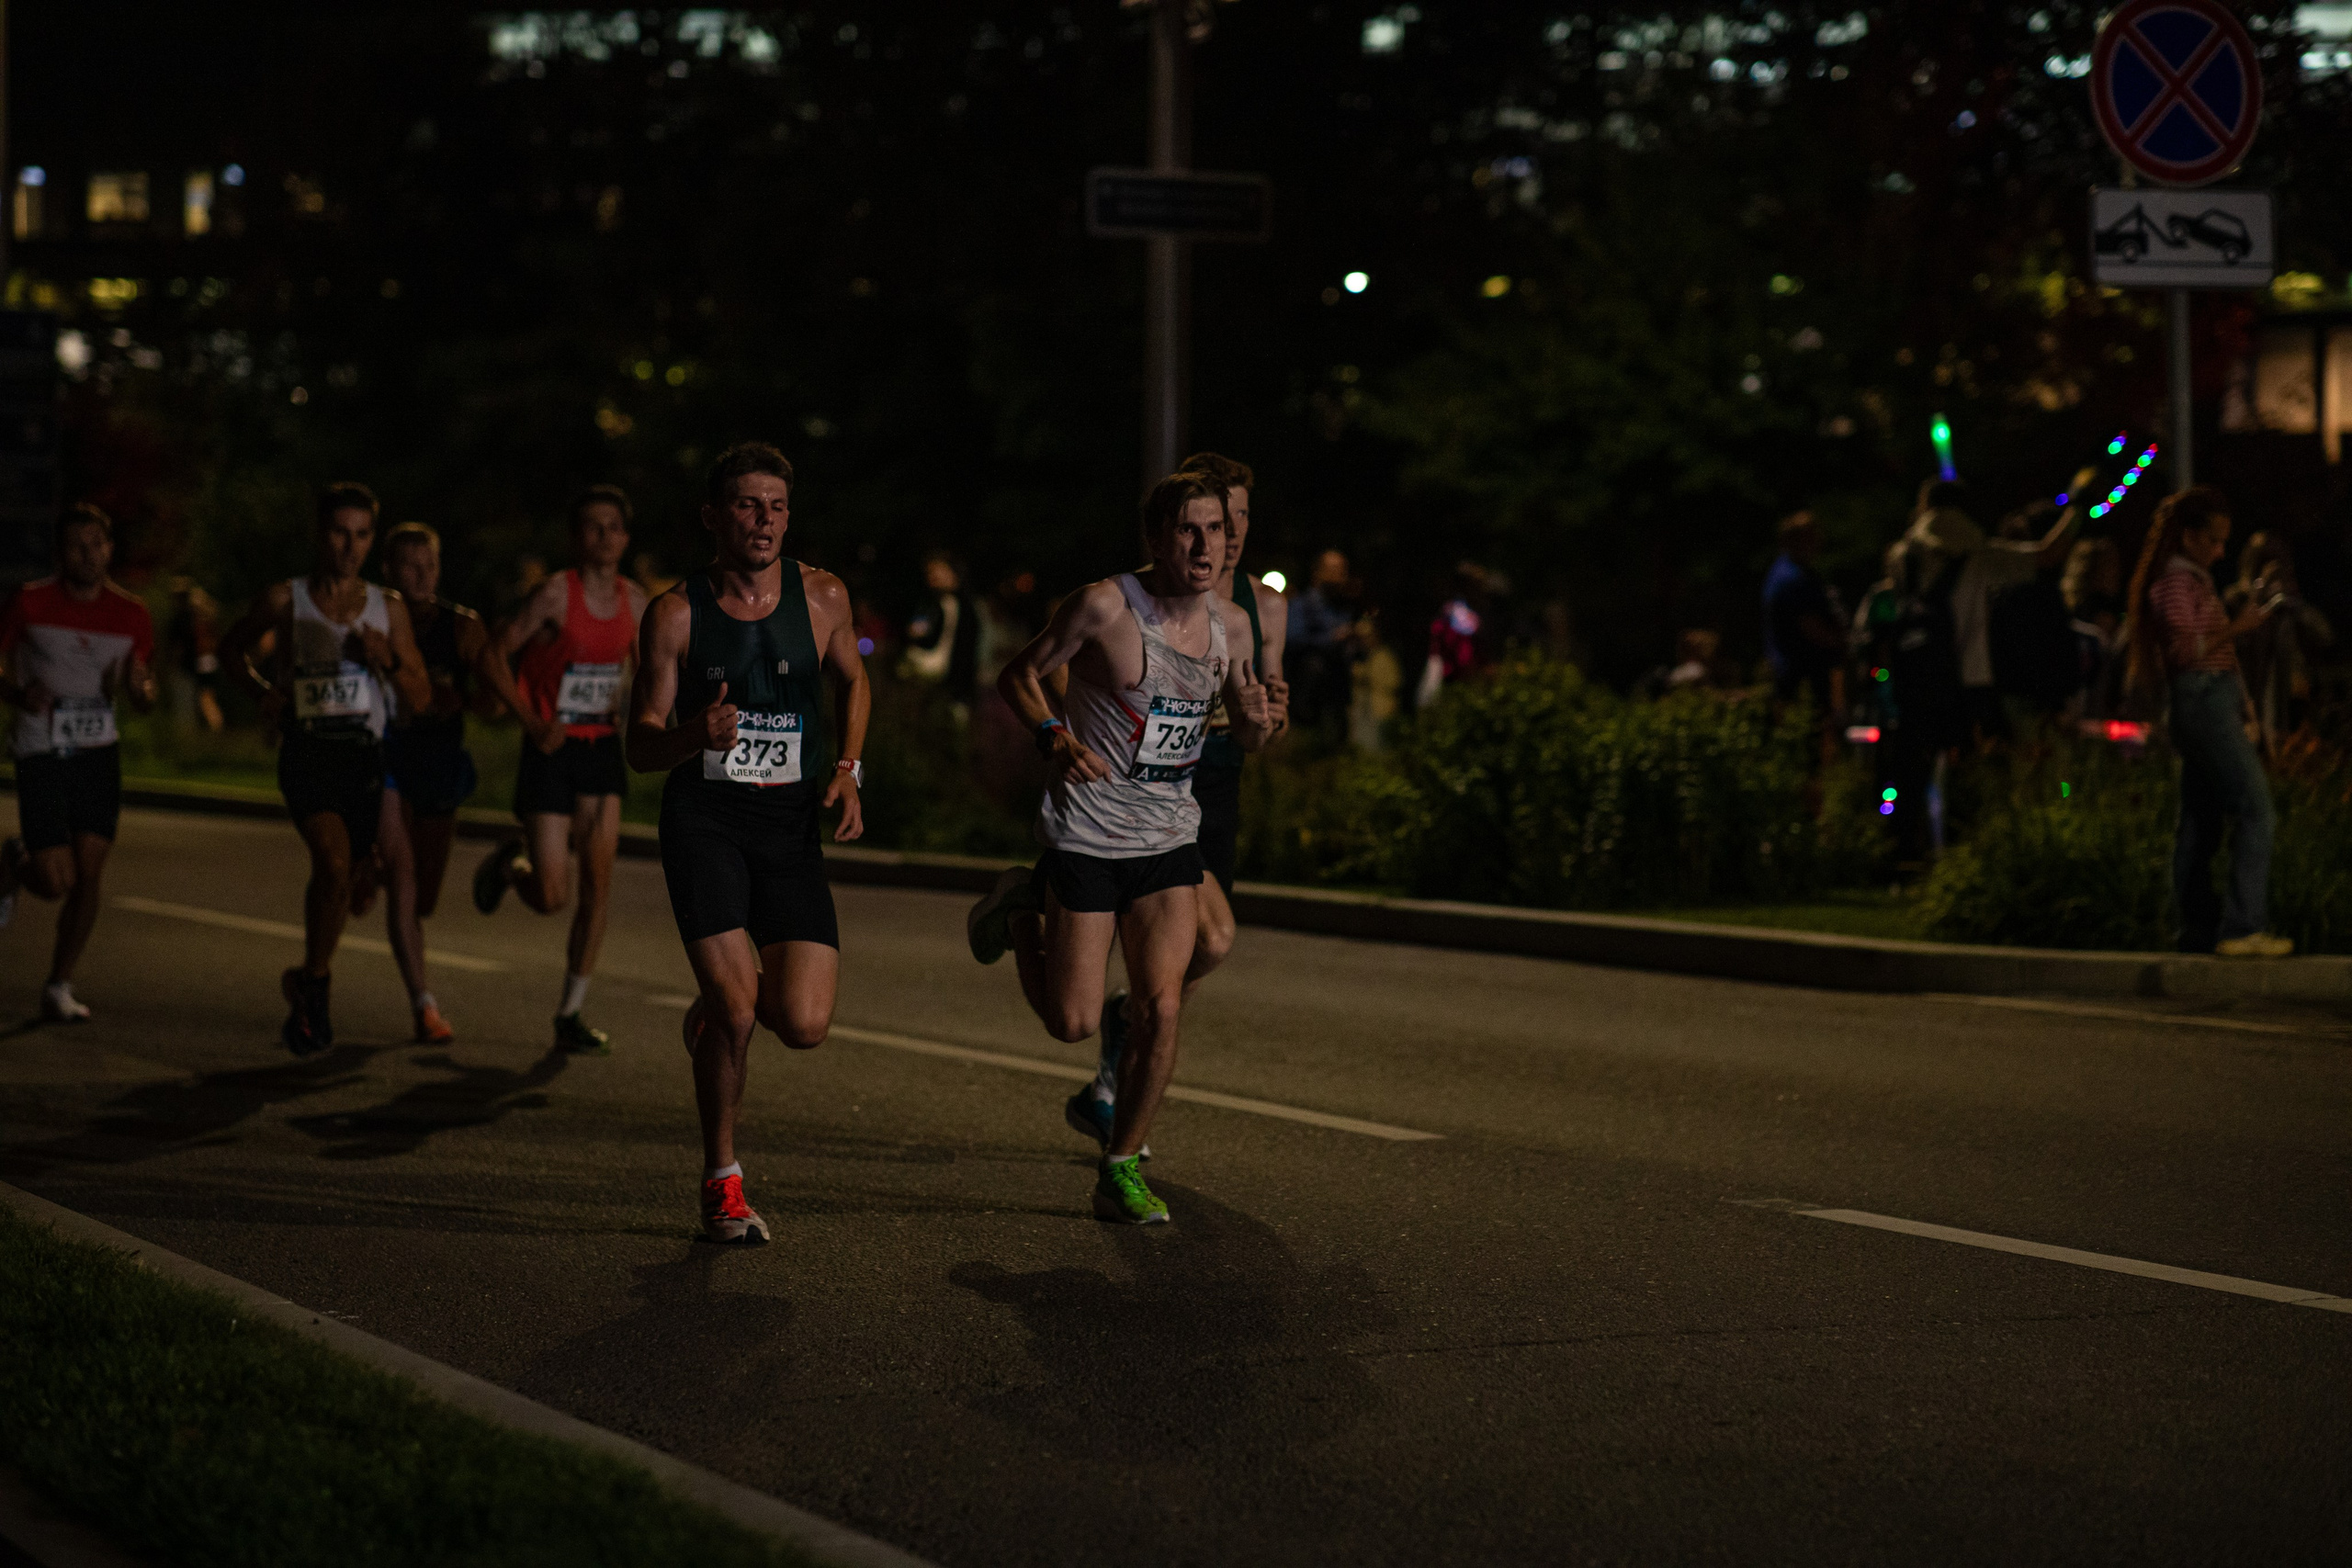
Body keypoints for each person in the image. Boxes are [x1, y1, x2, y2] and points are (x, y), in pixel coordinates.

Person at [965, 470, 1274, 1225]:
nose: (1205, 545)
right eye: (1188, 529)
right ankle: (1020, 912)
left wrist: (1260, 719)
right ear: (1157, 537)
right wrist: (1053, 734)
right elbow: (1019, 674)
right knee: (1070, 1021)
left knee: (1159, 1008)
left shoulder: (1232, 624)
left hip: (1169, 837)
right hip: (1090, 833)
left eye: (1215, 529)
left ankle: (1121, 1166)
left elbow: (1247, 731)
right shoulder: (1105, 606)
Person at [625, 442, 869, 1244]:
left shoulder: (823, 595)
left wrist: (849, 768)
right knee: (739, 1011)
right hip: (707, 822)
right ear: (713, 516)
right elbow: (641, 744)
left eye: (777, 506)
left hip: (789, 826)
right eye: (746, 504)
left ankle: (714, 1009)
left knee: (802, 1021)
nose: (763, 520)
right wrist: (692, 734)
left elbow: (854, 679)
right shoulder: (675, 613)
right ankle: (721, 1182)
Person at [1067, 451, 1291, 1137]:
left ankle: (1124, 1071)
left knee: (1197, 955)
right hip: (1140, 796)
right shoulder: (1147, 596)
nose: (1231, 533)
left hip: (1214, 785)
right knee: (1211, 938)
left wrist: (1265, 716)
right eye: (1218, 519)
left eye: (1238, 519)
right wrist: (1063, 736)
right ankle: (1121, 1078)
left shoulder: (1259, 608)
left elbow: (1264, 714)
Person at [218, 483, 433, 1054]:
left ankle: (310, 976)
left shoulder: (388, 608)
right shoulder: (286, 600)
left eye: (361, 535)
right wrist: (263, 693)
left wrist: (388, 660)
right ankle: (316, 990)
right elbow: (231, 650)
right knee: (333, 863)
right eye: (340, 532)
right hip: (309, 752)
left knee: (346, 881)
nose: (349, 546)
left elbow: (421, 695)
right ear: (320, 534)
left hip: (363, 757)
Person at [469, 485, 650, 1055]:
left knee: (598, 887)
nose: (605, 536)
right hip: (550, 749)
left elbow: (651, 672)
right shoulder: (554, 594)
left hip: (600, 751)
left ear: (626, 537)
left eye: (614, 526)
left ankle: (570, 1012)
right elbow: (491, 655)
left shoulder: (637, 601)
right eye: (593, 526)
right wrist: (530, 720)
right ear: (576, 538)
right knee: (551, 896)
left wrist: (648, 716)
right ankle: (510, 866)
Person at [0, 504, 157, 1021]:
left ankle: (59, 984)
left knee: (89, 874)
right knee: (55, 881)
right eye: (77, 546)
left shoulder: (132, 614)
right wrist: (17, 694)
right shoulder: (28, 602)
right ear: (60, 554)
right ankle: (15, 862)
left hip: (98, 751)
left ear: (110, 549)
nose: (89, 555)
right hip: (41, 748)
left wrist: (142, 692)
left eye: (97, 545)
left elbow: (143, 690)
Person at [2123, 485, 2291, 958]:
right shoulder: (2176, 583)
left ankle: (2195, 930)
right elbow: (2184, 651)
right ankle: (2243, 926)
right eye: (2214, 540)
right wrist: (2237, 627)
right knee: (2256, 809)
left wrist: (2243, 704)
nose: (2220, 551)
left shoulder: (2190, 580)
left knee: (2200, 821)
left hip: (2206, 702)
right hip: (2201, 702)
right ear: (2188, 536)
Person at [377, 523, 494, 1043]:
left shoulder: (460, 627)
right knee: (403, 876)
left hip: (439, 763)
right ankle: (423, 1003)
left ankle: (372, 869)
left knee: (423, 898)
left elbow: (493, 698)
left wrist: (464, 699)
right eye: (410, 566)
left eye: (431, 566)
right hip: (387, 758)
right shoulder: (372, 618)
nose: (422, 576)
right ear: (389, 571)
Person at [1899, 476, 2087, 744]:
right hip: (1970, 677)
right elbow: (2047, 554)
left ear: (1924, 507)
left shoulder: (1903, 554)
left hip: (1914, 672)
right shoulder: (1980, 554)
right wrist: (2078, 507)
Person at [2223, 532, 2333, 751]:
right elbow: (2232, 637)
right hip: (2243, 699)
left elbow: (2325, 637)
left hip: (2283, 706)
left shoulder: (2288, 608)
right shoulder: (2236, 599)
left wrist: (2292, 603)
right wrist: (2260, 591)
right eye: (2262, 562)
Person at [1760, 512, 1847, 716]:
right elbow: (1811, 626)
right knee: (1809, 723)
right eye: (1811, 537)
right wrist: (1842, 643)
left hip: (1794, 669)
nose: (1819, 542)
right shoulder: (1792, 578)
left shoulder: (1786, 571)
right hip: (1800, 672)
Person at [1284, 549, 1356, 733]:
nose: (1337, 576)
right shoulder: (1301, 604)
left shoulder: (1342, 608)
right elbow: (1292, 639)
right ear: (1317, 572)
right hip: (1305, 702)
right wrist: (1331, 638)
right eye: (1332, 569)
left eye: (1342, 570)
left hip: (1335, 701)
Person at [900, 551, 978, 710]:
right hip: (925, 675)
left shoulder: (964, 608)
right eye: (930, 572)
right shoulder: (929, 602)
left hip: (950, 681)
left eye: (938, 571)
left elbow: (966, 651)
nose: (933, 577)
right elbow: (917, 631)